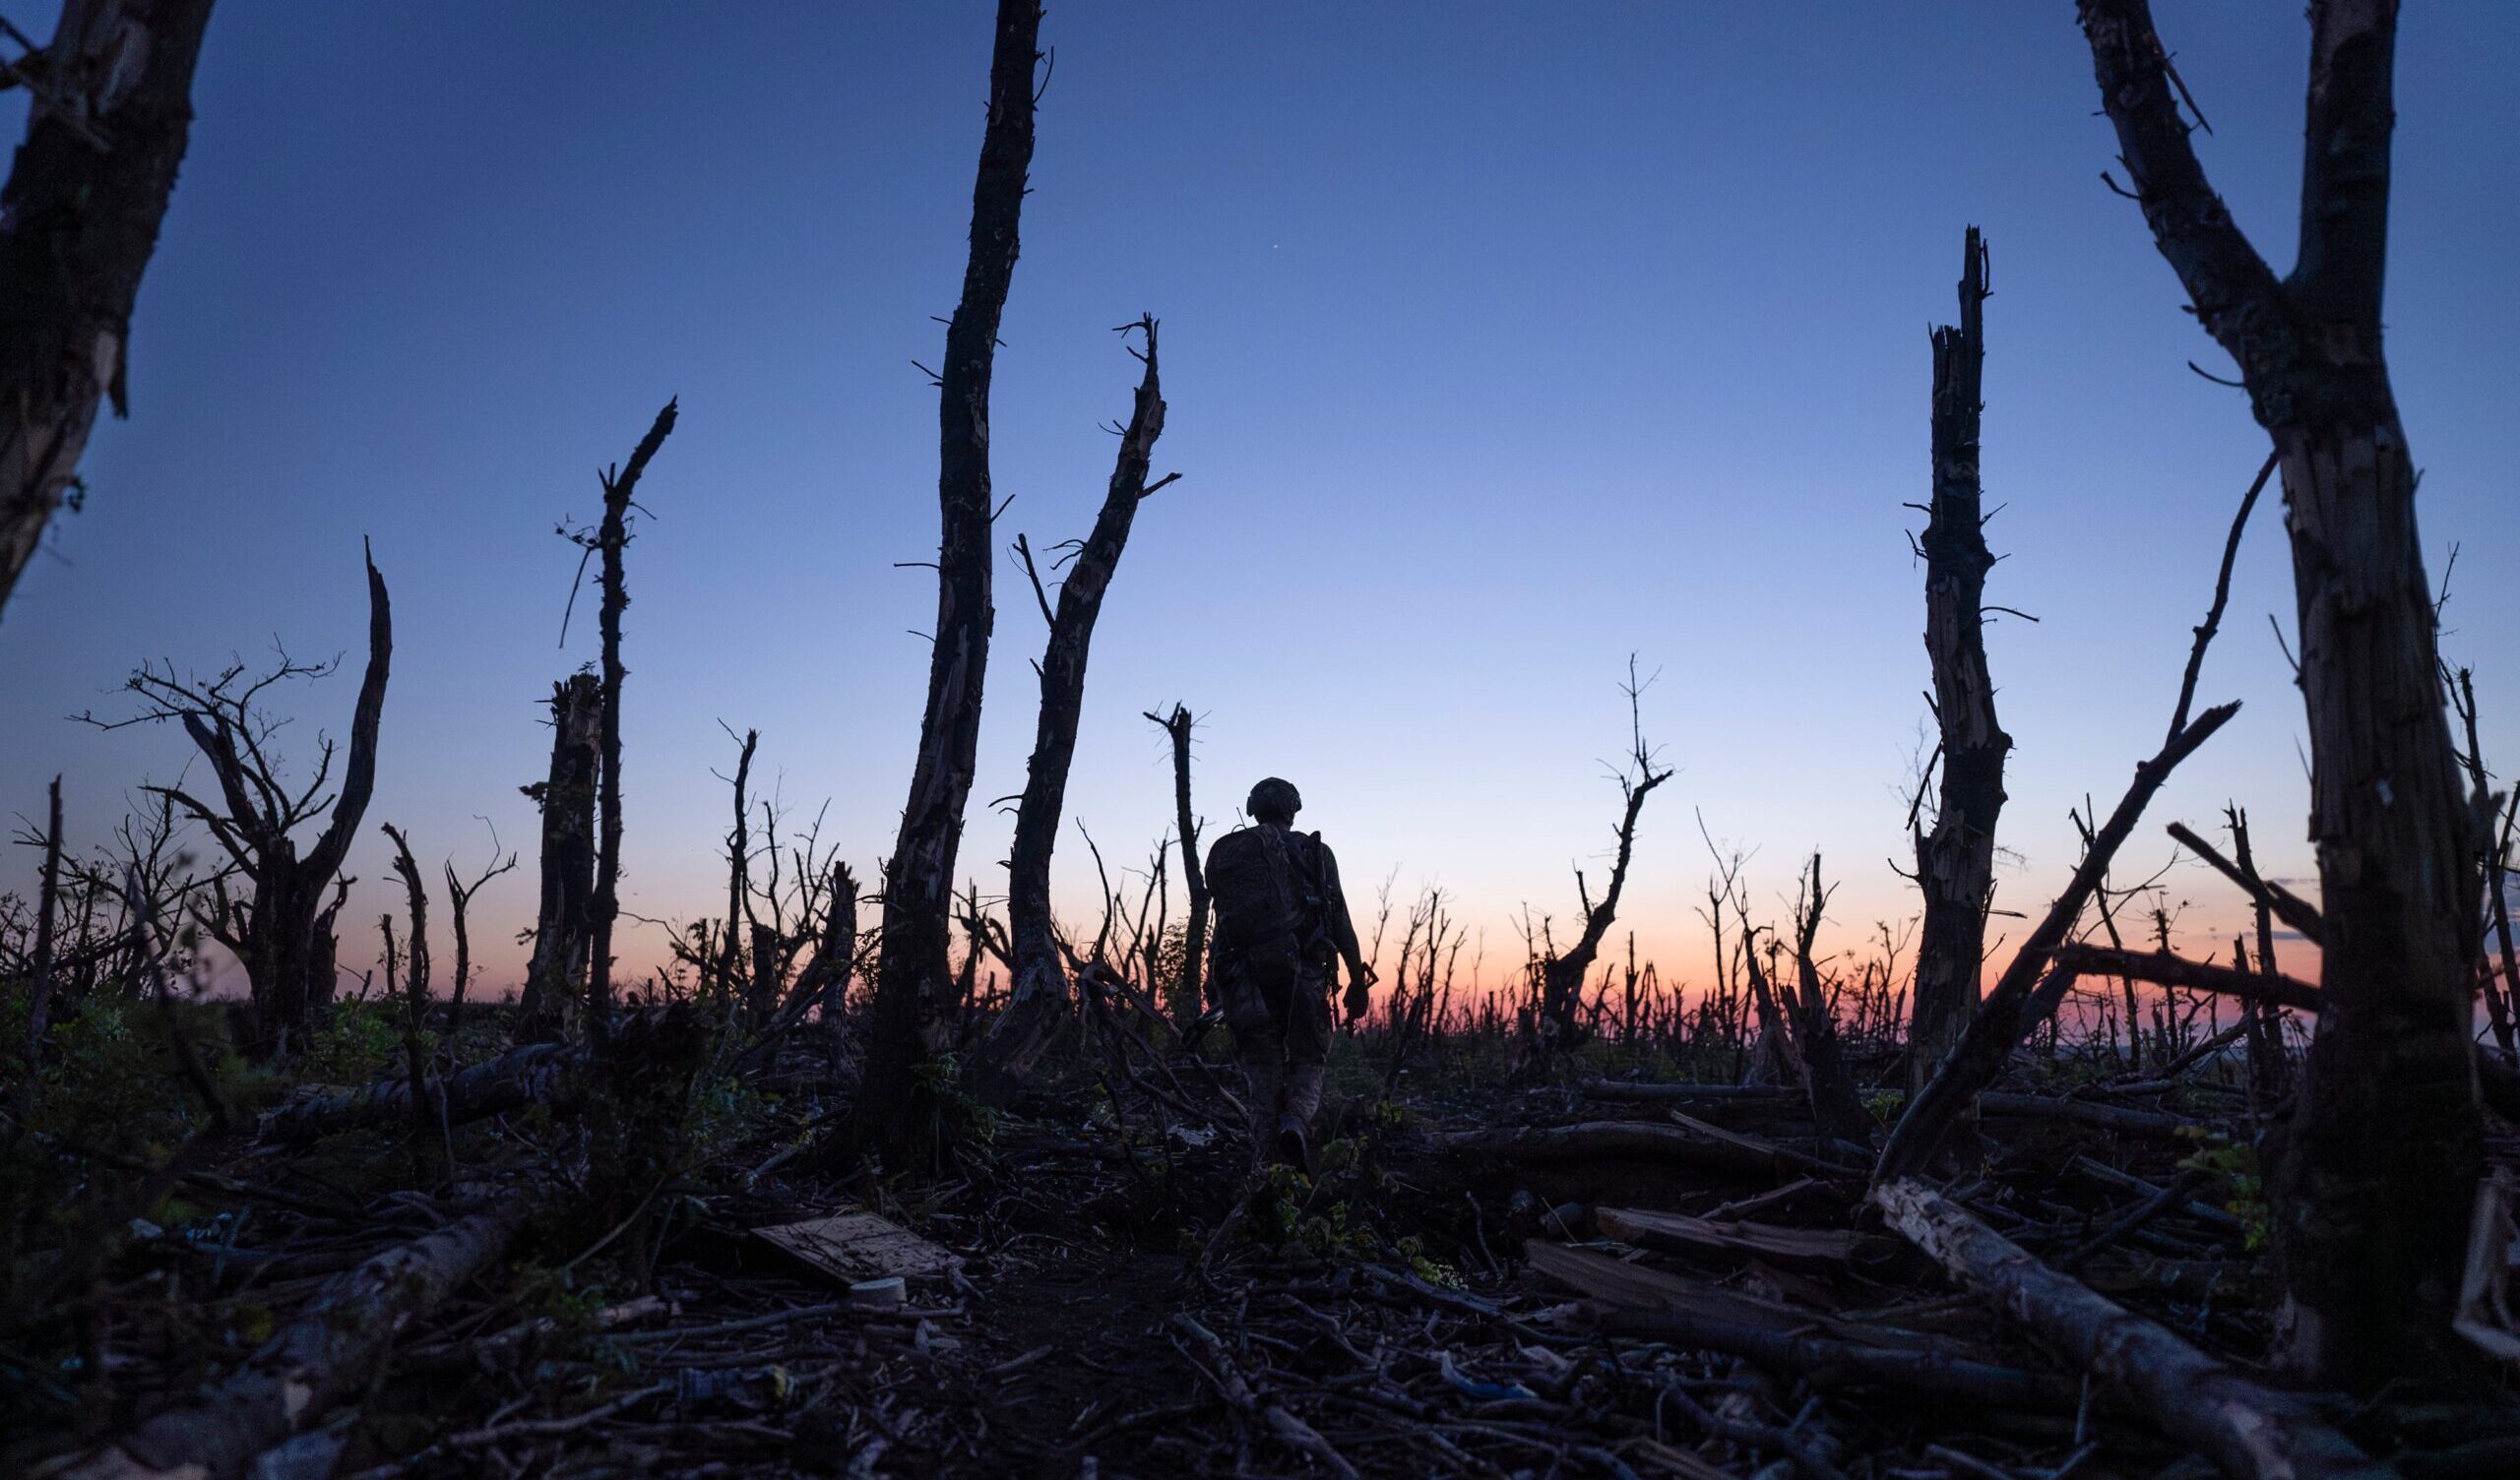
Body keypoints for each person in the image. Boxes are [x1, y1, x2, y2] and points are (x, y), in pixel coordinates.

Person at [1203, 776, 1372, 1169]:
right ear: (1293, 809)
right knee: (1309, 1057)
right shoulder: (1315, 852)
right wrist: (1357, 979)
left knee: (1262, 1064)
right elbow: (1340, 918)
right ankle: (1295, 1121)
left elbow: (1222, 925)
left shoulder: (1231, 856)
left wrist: (1215, 986)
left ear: (1253, 809)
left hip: (1242, 975)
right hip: (1300, 973)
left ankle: (1263, 1159)